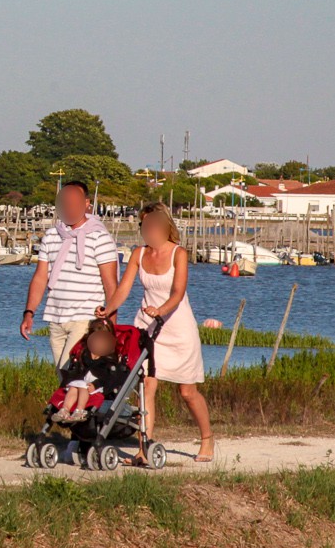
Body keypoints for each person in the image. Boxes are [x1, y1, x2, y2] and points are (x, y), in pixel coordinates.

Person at [107, 203, 213, 463]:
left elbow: (177, 294)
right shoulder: (138, 254)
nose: (148, 231)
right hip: (147, 327)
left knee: (187, 392)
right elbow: (123, 289)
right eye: (144, 226)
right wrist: (107, 308)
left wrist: (161, 310)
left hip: (177, 326)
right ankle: (143, 448)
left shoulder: (179, 253)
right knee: (146, 388)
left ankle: (207, 439)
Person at [20, 180, 122, 365]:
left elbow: (110, 284)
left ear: (86, 204)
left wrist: (111, 324)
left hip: (86, 318)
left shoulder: (100, 237)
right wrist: (29, 312)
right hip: (56, 318)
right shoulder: (52, 235)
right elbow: (41, 277)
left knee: (72, 373)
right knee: (65, 379)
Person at [55, 318, 129, 421]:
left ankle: (80, 410)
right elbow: (79, 370)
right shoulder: (85, 353)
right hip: (84, 381)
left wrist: (96, 384)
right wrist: (70, 381)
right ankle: (65, 409)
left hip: (98, 385)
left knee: (82, 387)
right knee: (73, 387)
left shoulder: (110, 359)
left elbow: (109, 378)